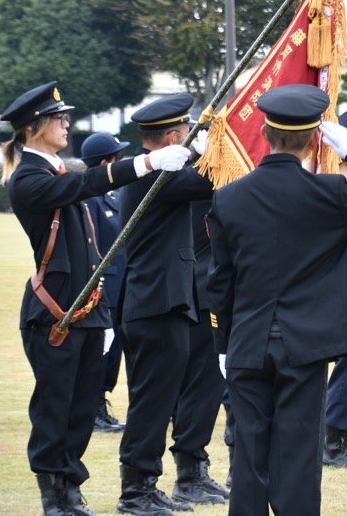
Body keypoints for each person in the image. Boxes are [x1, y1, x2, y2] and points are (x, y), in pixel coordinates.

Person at [207, 84, 347, 516]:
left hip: (246, 342)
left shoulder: (227, 198)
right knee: (298, 456)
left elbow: (220, 283)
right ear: (316, 138)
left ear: (264, 132)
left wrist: (225, 345)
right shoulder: (330, 193)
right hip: (305, 344)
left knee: (248, 455)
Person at [0, 81, 190, 516]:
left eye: (66, 116)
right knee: (55, 407)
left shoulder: (54, 171)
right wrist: (146, 162)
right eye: (58, 118)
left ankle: (71, 487)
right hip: (55, 313)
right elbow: (85, 185)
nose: (67, 123)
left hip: (84, 309)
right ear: (33, 128)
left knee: (83, 405)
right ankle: (54, 495)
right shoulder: (30, 177)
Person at [116, 94, 218, 515]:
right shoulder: (154, 177)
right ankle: (135, 491)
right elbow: (214, 178)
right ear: (174, 136)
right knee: (151, 402)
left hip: (163, 304)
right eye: (187, 132)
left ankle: (146, 484)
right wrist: (219, 144)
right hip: (155, 305)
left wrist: (201, 144)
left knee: (157, 400)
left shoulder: (161, 174)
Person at [79, 132, 131, 434]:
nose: (121, 162)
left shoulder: (115, 195)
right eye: (117, 157)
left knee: (115, 350)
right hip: (103, 288)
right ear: (104, 163)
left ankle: (101, 402)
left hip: (123, 284)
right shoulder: (90, 198)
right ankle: (93, 407)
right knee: (103, 347)